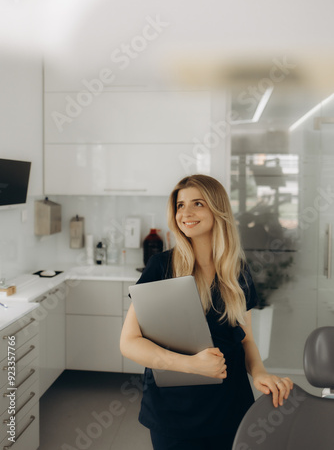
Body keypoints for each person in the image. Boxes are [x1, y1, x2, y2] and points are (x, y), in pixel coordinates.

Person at [120, 174, 293, 450]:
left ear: (217, 209)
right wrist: (190, 365)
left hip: (231, 407)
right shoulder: (161, 267)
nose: (185, 213)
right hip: (175, 413)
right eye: (180, 205)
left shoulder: (238, 270)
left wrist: (259, 373)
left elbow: (245, 339)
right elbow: (129, 343)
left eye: (197, 203)